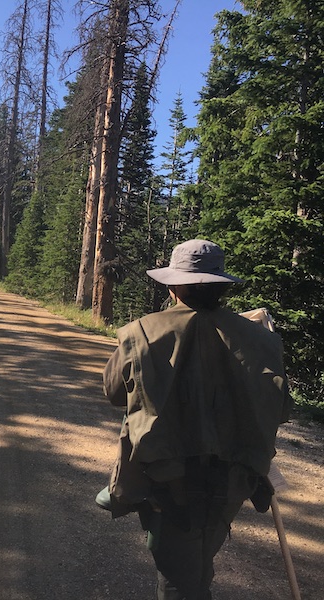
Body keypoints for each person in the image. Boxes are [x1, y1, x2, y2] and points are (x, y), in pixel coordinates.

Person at [100, 239, 291, 600]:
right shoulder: (261, 339)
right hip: (233, 479)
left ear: (173, 287)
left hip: (167, 479)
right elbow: (280, 411)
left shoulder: (142, 332)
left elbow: (113, 393)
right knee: (197, 560)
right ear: (221, 285)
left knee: (177, 575)